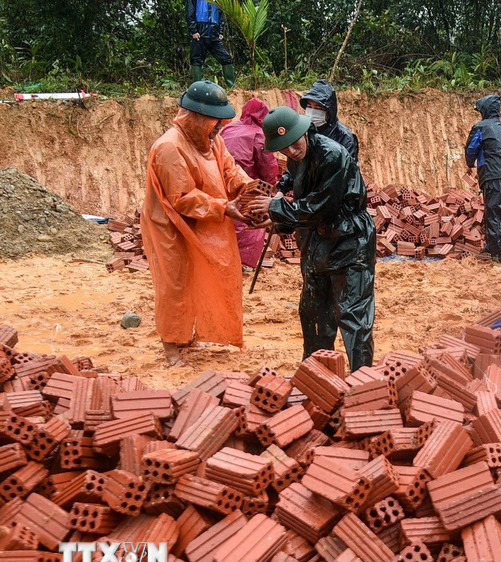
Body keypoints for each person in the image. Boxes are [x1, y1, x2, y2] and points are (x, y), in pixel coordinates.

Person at [246, 106, 376, 371]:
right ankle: (318, 376)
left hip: (349, 242)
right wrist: (279, 208)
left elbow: (320, 207)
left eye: (295, 144)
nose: (293, 151)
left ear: (305, 132)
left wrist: (275, 209)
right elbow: (297, 186)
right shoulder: (297, 156)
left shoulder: (333, 155)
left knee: (353, 315)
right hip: (317, 244)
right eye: (285, 148)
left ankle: (362, 381)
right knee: (314, 312)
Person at [141, 80, 251, 366]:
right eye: (215, 121)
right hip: (170, 227)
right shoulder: (169, 147)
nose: (219, 127)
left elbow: (230, 170)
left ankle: (189, 334)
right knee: (175, 283)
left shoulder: (213, 140)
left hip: (204, 221)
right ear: (198, 118)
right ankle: (171, 345)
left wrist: (250, 190)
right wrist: (224, 207)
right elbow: (182, 198)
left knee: (200, 276)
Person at [220, 98, 280, 268]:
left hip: (224, 180)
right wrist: (271, 185)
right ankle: (243, 262)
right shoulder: (259, 134)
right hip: (248, 182)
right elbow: (267, 164)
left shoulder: (229, 127)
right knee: (248, 223)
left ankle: (225, 258)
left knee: (227, 220)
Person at [464, 93, 501, 263]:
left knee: (494, 214)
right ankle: (491, 247)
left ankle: (499, 257)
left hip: (492, 176)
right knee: (495, 211)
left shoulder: (481, 127)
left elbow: (471, 149)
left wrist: (470, 163)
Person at [299, 79, 359, 161]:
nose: (312, 112)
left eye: (318, 108)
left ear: (329, 111)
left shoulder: (344, 137)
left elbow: (348, 169)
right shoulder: (305, 131)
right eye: (309, 107)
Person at [186, 0, 235, 89]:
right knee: (197, 60)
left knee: (226, 58)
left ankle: (231, 86)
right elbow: (190, 13)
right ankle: (197, 89)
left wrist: (220, 31)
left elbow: (221, 14)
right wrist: (193, 30)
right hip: (199, 32)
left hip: (214, 33)